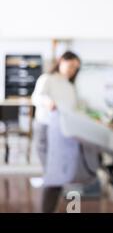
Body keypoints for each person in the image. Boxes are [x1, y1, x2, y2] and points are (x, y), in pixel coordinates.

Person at [31, 51, 81, 213]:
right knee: (54, 177)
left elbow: (72, 110)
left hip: (62, 135)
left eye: (76, 68)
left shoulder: (70, 86)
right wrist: (48, 102)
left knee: (58, 178)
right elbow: (36, 97)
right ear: (61, 61)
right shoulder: (47, 79)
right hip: (46, 131)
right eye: (71, 65)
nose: (72, 70)